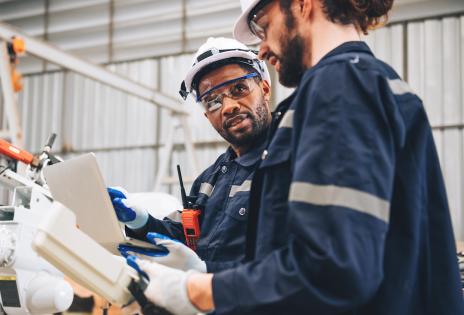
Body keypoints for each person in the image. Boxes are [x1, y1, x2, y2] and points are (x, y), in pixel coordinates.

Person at [128, 1, 464, 314]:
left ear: (303, 4)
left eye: (263, 24)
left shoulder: (340, 86)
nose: (261, 47)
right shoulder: (368, 81)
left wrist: (198, 290)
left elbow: (335, 269)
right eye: (212, 100)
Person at [108, 37, 273, 273]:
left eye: (238, 89)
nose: (228, 107)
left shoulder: (289, 160)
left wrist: (207, 272)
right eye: (212, 101)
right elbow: (186, 238)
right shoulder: (209, 180)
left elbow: (289, 261)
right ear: (207, 116)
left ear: (265, 89)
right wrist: (140, 220)